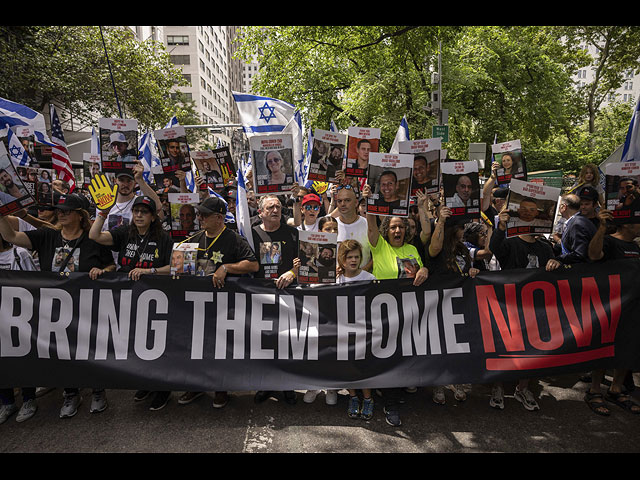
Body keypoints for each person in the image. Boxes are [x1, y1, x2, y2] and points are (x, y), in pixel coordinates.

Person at [0, 193, 116, 418]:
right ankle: (71, 393)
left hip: (87, 309)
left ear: (80, 215)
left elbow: (111, 266)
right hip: (54, 311)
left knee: (89, 352)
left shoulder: (93, 239)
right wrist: (2, 213)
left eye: (67, 210)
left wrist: (102, 271)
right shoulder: (47, 236)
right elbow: (10, 235)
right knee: (61, 354)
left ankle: (97, 391)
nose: (61, 214)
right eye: (59, 210)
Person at [89, 195, 174, 410]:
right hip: (128, 301)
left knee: (156, 346)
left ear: (153, 216)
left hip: (156, 301)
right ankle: (145, 382)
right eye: (136, 211)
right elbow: (95, 235)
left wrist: (149, 270)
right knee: (137, 345)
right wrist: (102, 212)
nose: (138, 215)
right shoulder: (124, 233)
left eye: (144, 212)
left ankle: (162, 388)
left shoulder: (164, 238)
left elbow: (175, 268)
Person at [176, 196, 259, 409]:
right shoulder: (193, 239)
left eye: (204, 215)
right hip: (196, 305)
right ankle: (194, 386)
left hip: (222, 306)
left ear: (219, 217)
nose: (199, 218)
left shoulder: (232, 238)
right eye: (199, 214)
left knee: (220, 347)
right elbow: (177, 268)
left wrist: (227, 267)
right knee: (195, 346)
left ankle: (221, 388)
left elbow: (253, 265)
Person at [362, 183, 428, 426]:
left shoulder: (412, 248)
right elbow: (370, 226)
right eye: (393, 227)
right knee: (388, 356)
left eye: (401, 226)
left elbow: (420, 270)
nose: (398, 230)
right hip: (384, 313)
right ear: (386, 231)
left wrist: (425, 270)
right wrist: (368, 202)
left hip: (409, 313)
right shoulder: (380, 247)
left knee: (404, 354)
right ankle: (390, 404)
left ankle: (395, 392)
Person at [488, 205, 562, 411]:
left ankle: (523, 387)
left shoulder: (545, 247)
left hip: (535, 308)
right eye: (525, 210)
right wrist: (501, 226)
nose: (530, 214)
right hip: (510, 305)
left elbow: (557, 267)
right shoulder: (510, 243)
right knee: (504, 347)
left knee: (532, 349)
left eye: (534, 210)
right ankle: (498, 386)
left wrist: (556, 263)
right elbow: (494, 247)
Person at [585, 208, 640, 415]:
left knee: (626, 347)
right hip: (608, 305)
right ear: (627, 224)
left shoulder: (635, 246)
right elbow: (593, 254)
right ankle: (594, 389)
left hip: (631, 307)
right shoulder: (609, 241)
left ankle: (616, 389)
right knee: (604, 347)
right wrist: (601, 228)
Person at [426, 206, 479, 405]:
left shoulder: (463, 248)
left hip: (459, 303)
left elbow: (468, 269)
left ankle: (455, 381)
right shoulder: (438, 249)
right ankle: (438, 385)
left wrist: (472, 272)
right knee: (441, 345)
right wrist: (440, 220)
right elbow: (434, 249)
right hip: (439, 303)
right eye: (461, 227)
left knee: (457, 345)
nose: (464, 230)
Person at [251, 195, 300, 405]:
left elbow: (304, 261)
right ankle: (266, 384)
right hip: (260, 295)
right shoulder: (251, 233)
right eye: (270, 207)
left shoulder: (292, 233)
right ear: (260, 212)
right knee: (265, 342)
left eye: (278, 206)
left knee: (286, 341)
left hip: (288, 294)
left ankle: (287, 385)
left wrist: (292, 273)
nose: (275, 210)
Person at [335, 239, 377, 420]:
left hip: (363, 330)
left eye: (357, 257)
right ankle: (353, 397)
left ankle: (368, 398)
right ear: (342, 259)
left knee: (363, 365)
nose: (353, 260)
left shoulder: (369, 279)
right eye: (349, 257)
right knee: (346, 365)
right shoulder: (336, 279)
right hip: (342, 330)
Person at [0, 232, 39, 424]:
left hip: (20, 317)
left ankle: (28, 399)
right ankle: (7, 402)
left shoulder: (19, 253)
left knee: (22, 357)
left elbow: (36, 283)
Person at [330, 184, 372, 271]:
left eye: (347, 200)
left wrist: (361, 273)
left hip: (363, 280)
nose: (343, 204)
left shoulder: (368, 224)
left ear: (356, 203)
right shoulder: (330, 226)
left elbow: (377, 254)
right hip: (338, 281)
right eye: (339, 201)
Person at [557, 186, 599, 265]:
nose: (583, 207)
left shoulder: (578, 224)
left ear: (563, 207)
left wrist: (558, 260)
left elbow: (580, 254)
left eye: (587, 204)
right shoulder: (576, 221)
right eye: (582, 203)